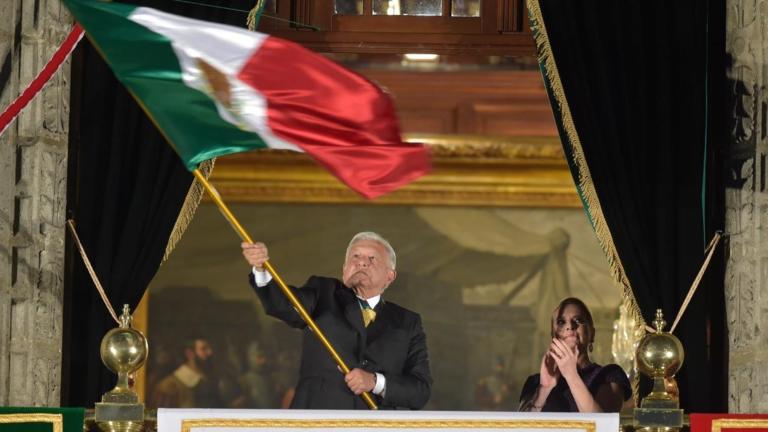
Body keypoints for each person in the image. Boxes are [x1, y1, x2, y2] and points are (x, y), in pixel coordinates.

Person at [241, 231, 432, 409]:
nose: (361, 263)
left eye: (372, 258)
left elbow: (420, 391)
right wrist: (261, 269)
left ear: (390, 276)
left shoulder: (408, 322)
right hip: (316, 422)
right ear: (344, 269)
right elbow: (283, 305)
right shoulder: (323, 292)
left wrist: (375, 382)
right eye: (355, 257)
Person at [518, 297, 631, 412]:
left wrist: (571, 375)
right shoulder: (536, 382)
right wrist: (544, 389)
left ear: (591, 333)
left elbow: (602, 425)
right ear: (553, 336)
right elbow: (518, 427)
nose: (570, 326)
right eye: (561, 322)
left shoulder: (608, 375)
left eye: (578, 320)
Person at [151, 338, 221, 408]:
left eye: (209, 348)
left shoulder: (208, 380)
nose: (210, 352)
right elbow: (162, 417)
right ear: (190, 353)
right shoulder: (169, 386)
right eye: (204, 349)